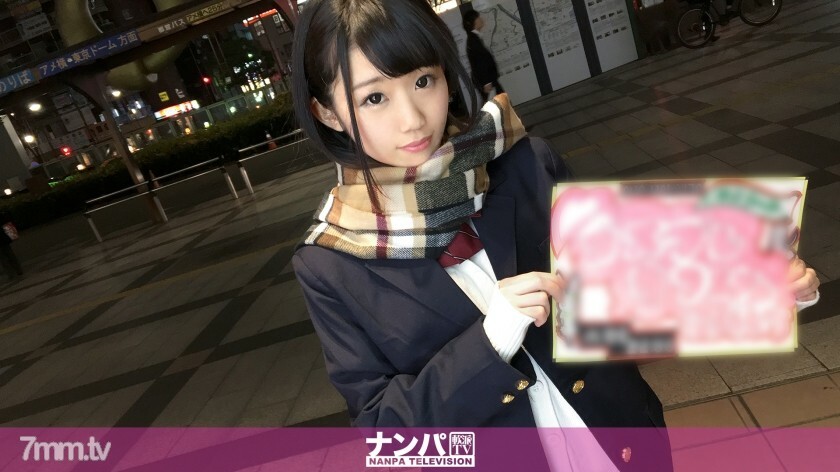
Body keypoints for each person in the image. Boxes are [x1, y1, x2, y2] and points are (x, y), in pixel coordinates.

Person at [289, 0, 820, 468]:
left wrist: (755, 291)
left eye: (423, 81)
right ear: (327, 113)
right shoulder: (332, 263)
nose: (411, 119)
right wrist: (490, 342)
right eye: (374, 99)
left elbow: (628, 297)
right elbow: (386, 440)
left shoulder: (524, 165)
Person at [463, 10, 504, 103]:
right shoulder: (473, 40)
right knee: (500, 105)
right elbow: (479, 62)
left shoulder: (474, 38)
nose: (481, 19)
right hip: (488, 82)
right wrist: (486, 82)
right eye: (477, 17)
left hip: (489, 81)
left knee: (500, 106)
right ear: (472, 22)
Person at [0, 213, 23, 281]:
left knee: (3, 258)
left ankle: (11, 273)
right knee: (9, 254)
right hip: (3, 237)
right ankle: (18, 269)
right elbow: (5, 223)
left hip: (3, 238)